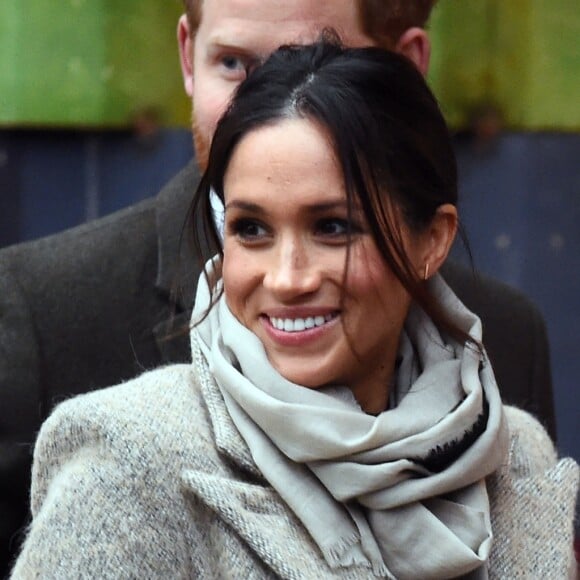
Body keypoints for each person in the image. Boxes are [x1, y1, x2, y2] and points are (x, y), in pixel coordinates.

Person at [0, 0, 557, 573]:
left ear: (433, 239)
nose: (288, 278)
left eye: (333, 227)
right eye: (251, 229)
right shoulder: (121, 453)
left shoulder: (516, 453)